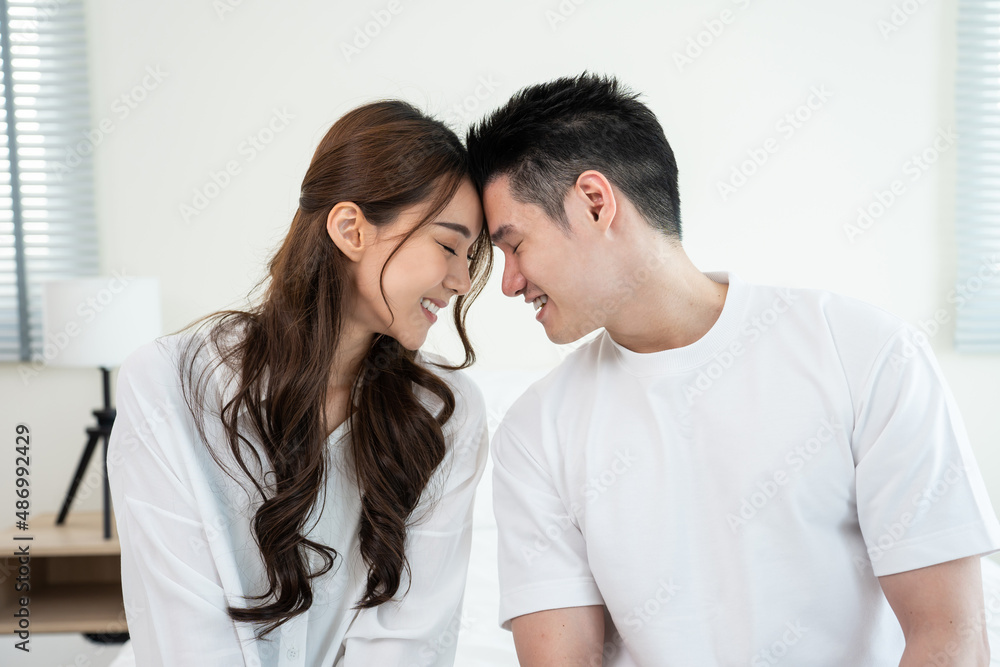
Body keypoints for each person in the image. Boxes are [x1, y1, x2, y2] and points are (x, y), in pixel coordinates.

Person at [466, 73, 1000, 666]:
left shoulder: (865, 353)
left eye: (514, 245)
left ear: (595, 203)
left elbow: (950, 641)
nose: (509, 282)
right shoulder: (534, 432)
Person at [107, 100, 494, 667]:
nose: (461, 279)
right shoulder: (170, 384)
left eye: (470, 254)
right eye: (447, 245)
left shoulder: (444, 414)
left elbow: (408, 642)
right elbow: (183, 638)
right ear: (350, 229)